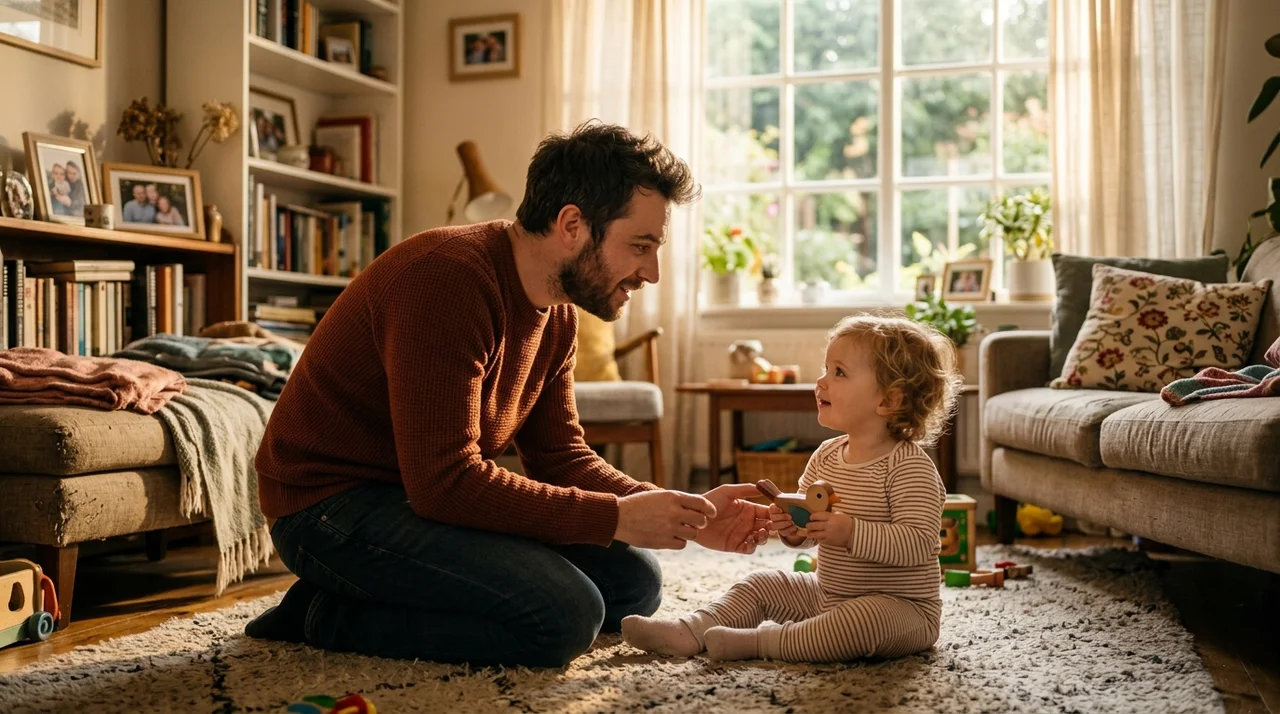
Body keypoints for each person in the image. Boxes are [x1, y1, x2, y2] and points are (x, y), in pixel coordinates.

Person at [245, 122, 772, 668]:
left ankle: (383, 591)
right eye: (640, 246)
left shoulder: (560, 308)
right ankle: (320, 614)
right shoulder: (446, 280)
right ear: (572, 224)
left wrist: (691, 514)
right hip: (328, 508)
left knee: (632, 584)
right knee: (563, 616)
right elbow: (445, 485)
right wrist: (613, 516)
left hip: (413, 494)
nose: (652, 272)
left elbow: (561, 456)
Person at [623, 315, 961, 662]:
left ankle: (759, 644)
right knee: (762, 583)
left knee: (858, 622)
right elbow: (810, 532)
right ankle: (691, 631)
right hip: (828, 592)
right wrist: (795, 530)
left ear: (889, 401)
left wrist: (851, 532)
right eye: (825, 369)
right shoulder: (826, 456)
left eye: (838, 372)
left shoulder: (909, 467)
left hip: (901, 610)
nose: (821, 381)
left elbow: (919, 545)